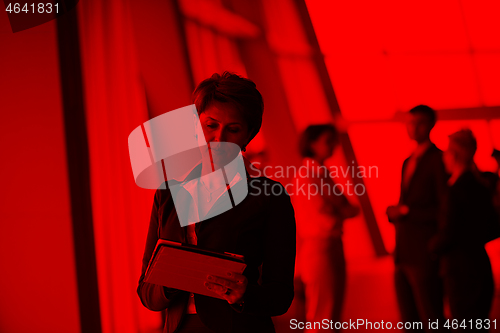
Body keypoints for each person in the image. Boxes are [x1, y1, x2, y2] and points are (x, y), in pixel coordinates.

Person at [137, 72, 296, 333]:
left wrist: (245, 294)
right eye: (211, 125)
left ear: (248, 136)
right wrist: (173, 277)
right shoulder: (167, 194)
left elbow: (280, 296)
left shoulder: (268, 197)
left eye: (233, 129)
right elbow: (146, 292)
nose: (219, 139)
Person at [386, 105, 447, 332]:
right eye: (410, 122)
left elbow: (443, 210)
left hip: (423, 251)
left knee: (431, 317)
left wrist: (406, 212)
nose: (413, 128)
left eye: (419, 122)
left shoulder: (439, 160)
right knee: (409, 319)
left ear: (431, 125)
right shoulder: (407, 161)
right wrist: (399, 213)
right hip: (403, 251)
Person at [430, 129, 497, 330]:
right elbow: (494, 226)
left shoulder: (455, 191)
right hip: (480, 266)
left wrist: (432, 246)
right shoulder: (481, 185)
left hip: (460, 271)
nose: (444, 157)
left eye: (447, 152)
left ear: (455, 155)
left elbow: (449, 232)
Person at [294, 124, 359, 332]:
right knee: (323, 317)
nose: (335, 146)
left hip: (331, 244)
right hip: (319, 247)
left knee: (331, 316)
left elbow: (347, 209)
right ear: (312, 144)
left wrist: (338, 209)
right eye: (328, 141)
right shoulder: (307, 175)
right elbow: (329, 216)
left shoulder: (321, 173)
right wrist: (339, 209)